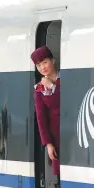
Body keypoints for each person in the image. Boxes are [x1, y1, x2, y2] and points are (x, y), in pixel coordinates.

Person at [31, 45, 60, 176]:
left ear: (53, 61)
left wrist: (52, 87)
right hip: (56, 138)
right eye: (38, 65)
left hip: (74, 135)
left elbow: (71, 100)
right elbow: (41, 118)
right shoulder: (39, 88)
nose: (42, 68)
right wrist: (48, 144)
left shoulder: (66, 79)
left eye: (45, 62)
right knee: (60, 177)